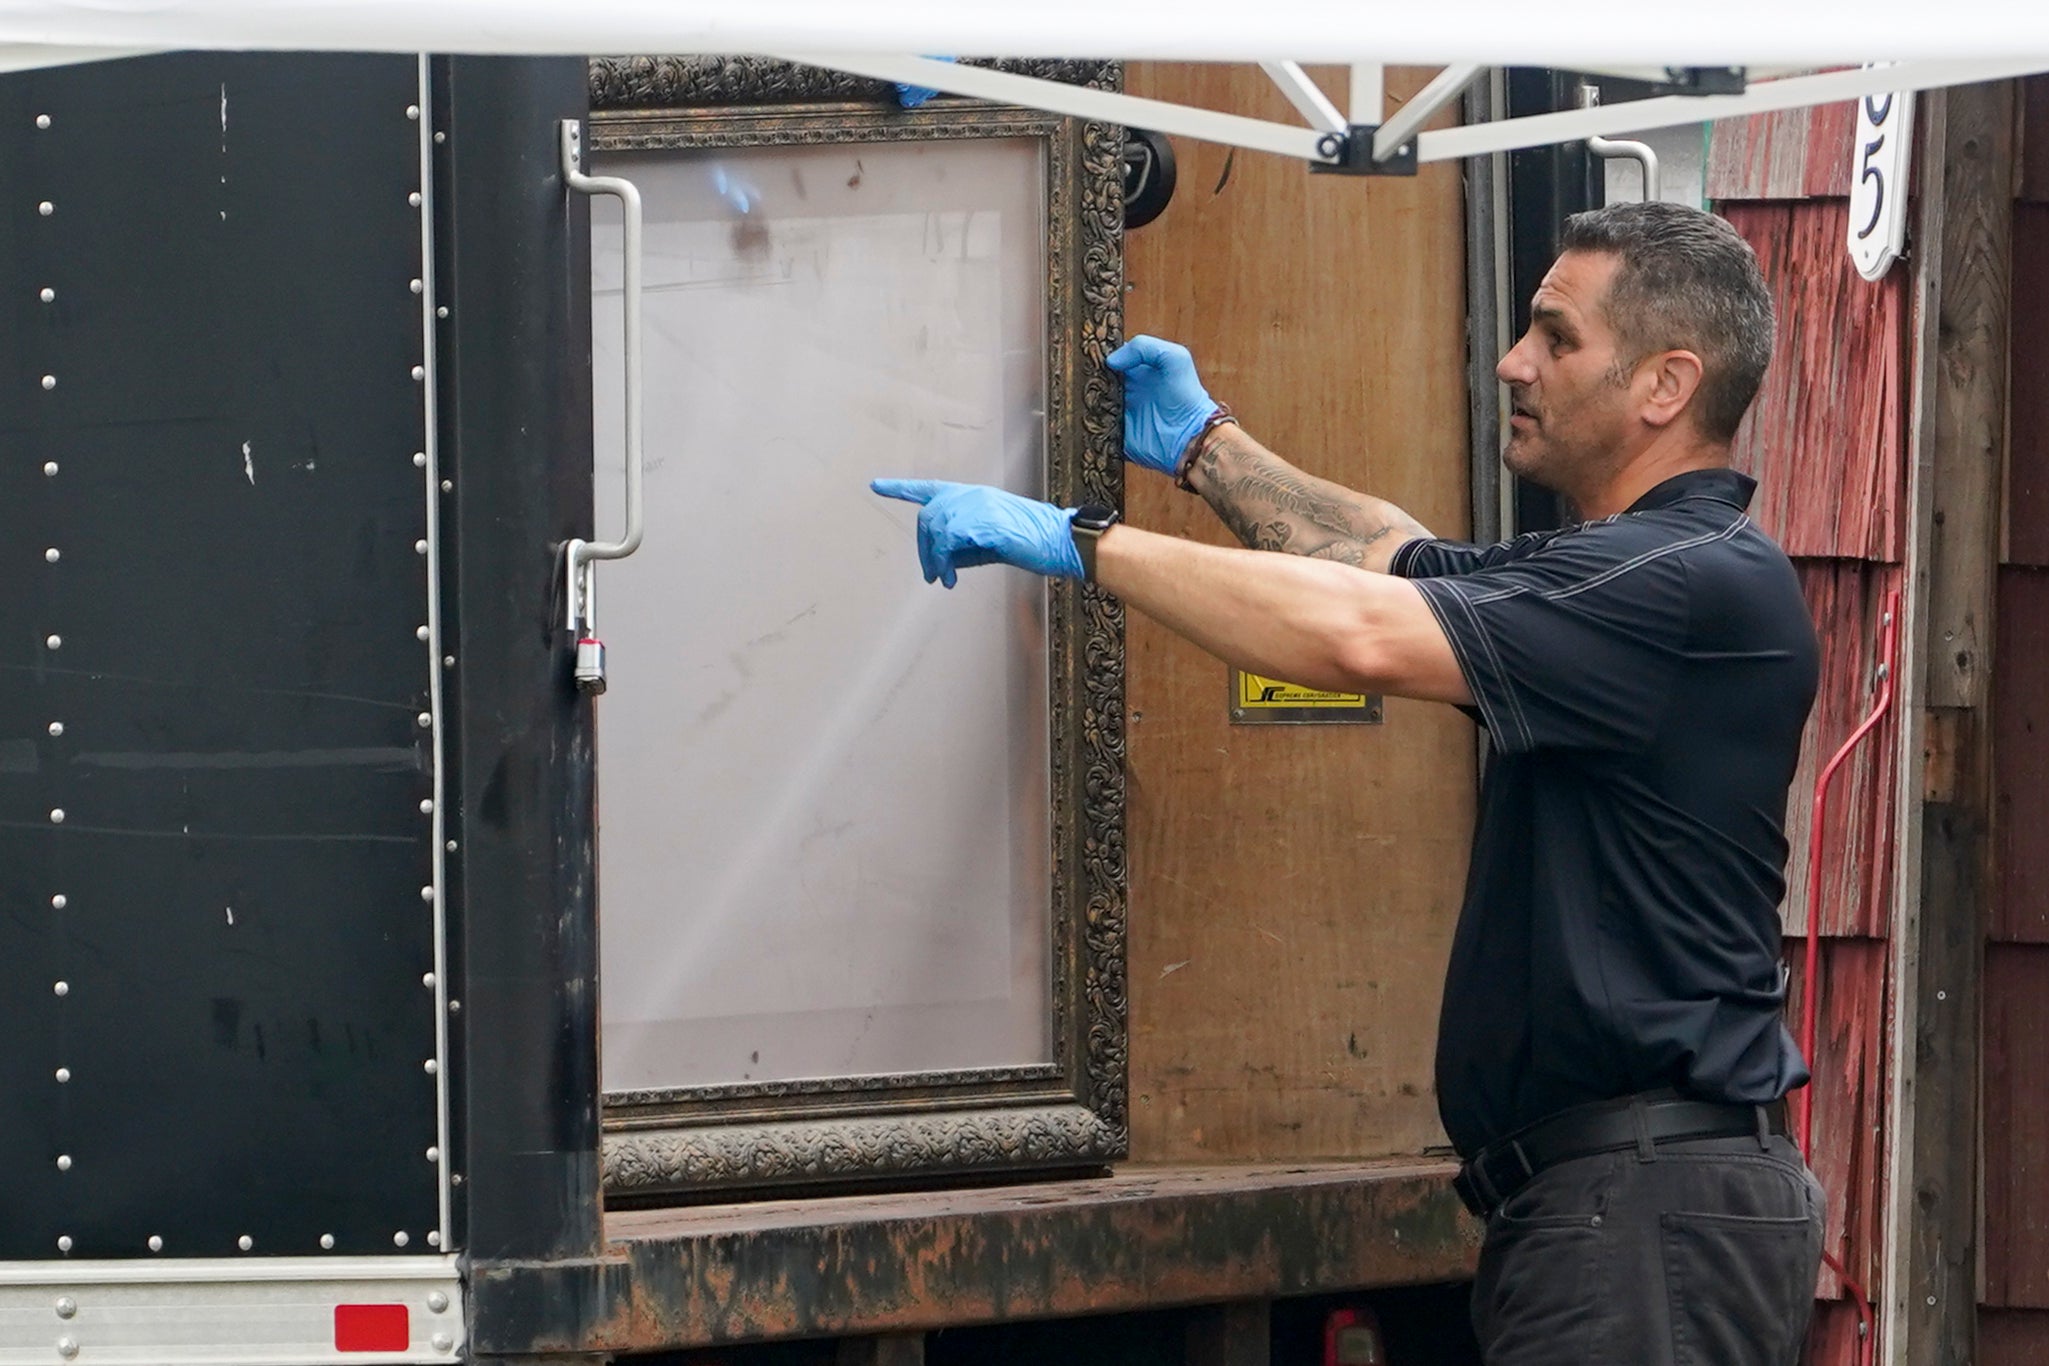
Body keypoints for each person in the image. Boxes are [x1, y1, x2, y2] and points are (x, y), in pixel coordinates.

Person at [873, 199, 1825, 1364]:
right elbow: (1388, 557)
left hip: (1643, 1212)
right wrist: (1204, 447)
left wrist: (1084, 542)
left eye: (1555, 337)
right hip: (1616, 1203)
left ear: (1665, 385)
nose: (1512, 362)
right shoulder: (1623, 573)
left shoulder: (1681, 585)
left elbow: (1362, 633)